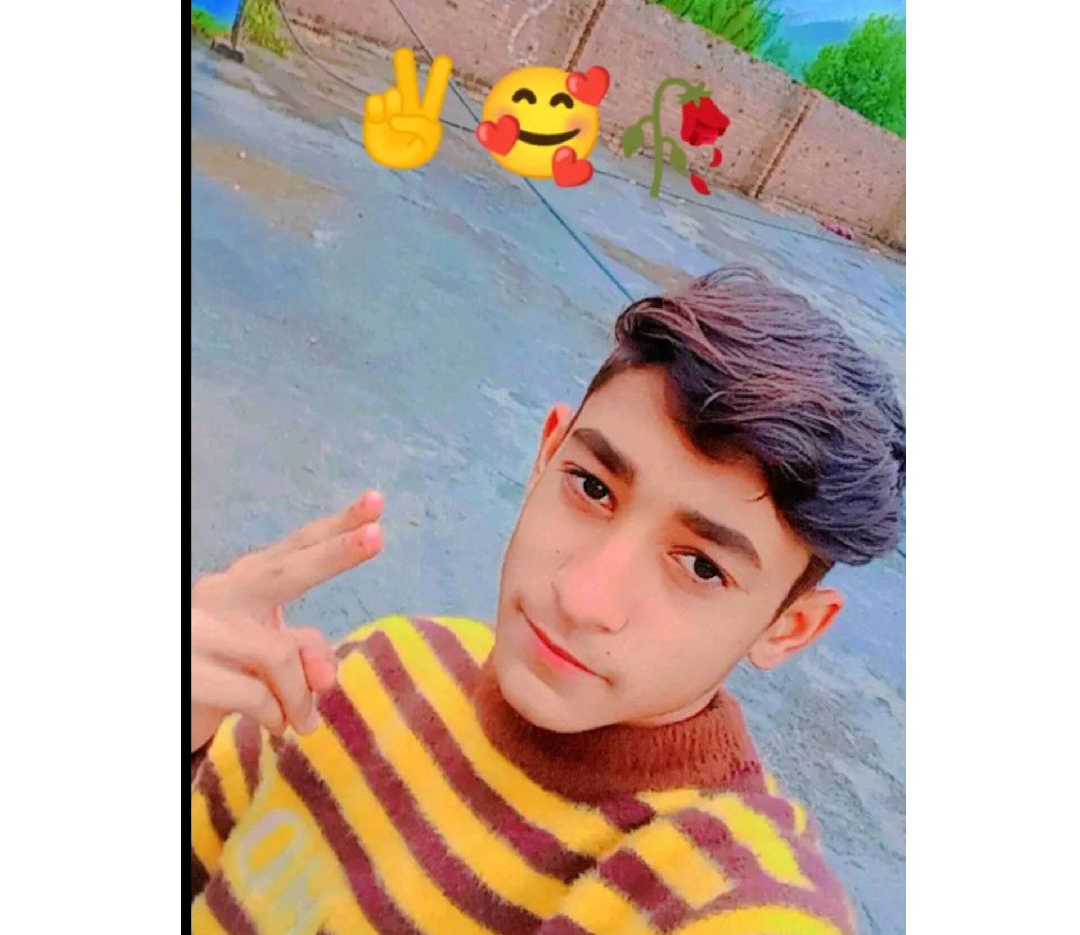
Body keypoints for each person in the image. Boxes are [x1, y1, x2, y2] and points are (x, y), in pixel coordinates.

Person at [191, 266, 904, 934]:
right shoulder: (379, 669)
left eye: (700, 566)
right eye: (592, 488)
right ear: (547, 453)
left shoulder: (723, 892)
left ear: (790, 629)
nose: (584, 597)